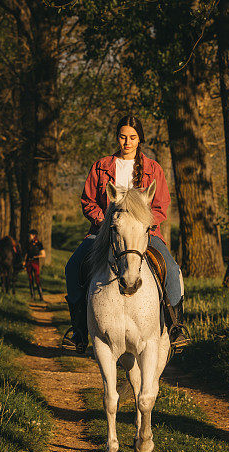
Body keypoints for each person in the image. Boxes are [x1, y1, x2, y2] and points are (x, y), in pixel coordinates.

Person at [61, 114, 190, 354]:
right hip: (104, 232)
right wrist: (103, 222)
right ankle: (78, 330)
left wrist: (143, 225)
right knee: (73, 266)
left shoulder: (153, 169)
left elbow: (161, 205)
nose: (127, 142)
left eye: (132, 137)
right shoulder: (101, 166)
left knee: (171, 269)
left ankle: (175, 327)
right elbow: (88, 201)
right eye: (122, 137)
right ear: (117, 138)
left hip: (144, 233)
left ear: (139, 139)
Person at [25, 229, 45, 299]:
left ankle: (41, 295)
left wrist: (36, 256)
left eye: (30, 235)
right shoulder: (29, 244)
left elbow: (43, 255)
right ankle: (32, 296)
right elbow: (27, 254)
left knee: (37, 278)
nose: (29, 236)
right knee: (30, 279)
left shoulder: (39, 244)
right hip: (29, 262)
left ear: (34, 235)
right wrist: (25, 262)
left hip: (35, 262)